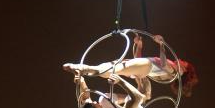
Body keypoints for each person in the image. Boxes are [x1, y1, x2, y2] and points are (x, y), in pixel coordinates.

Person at [63, 33, 199, 98]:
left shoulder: (176, 72)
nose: (180, 59)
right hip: (145, 69)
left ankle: (85, 68)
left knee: (115, 67)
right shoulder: (171, 71)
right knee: (114, 66)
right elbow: (137, 60)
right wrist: (138, 45)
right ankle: (87, 69)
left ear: (185, 69)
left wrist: (162, 44)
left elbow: (163, 64)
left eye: (183, 61)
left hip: (147, 67)